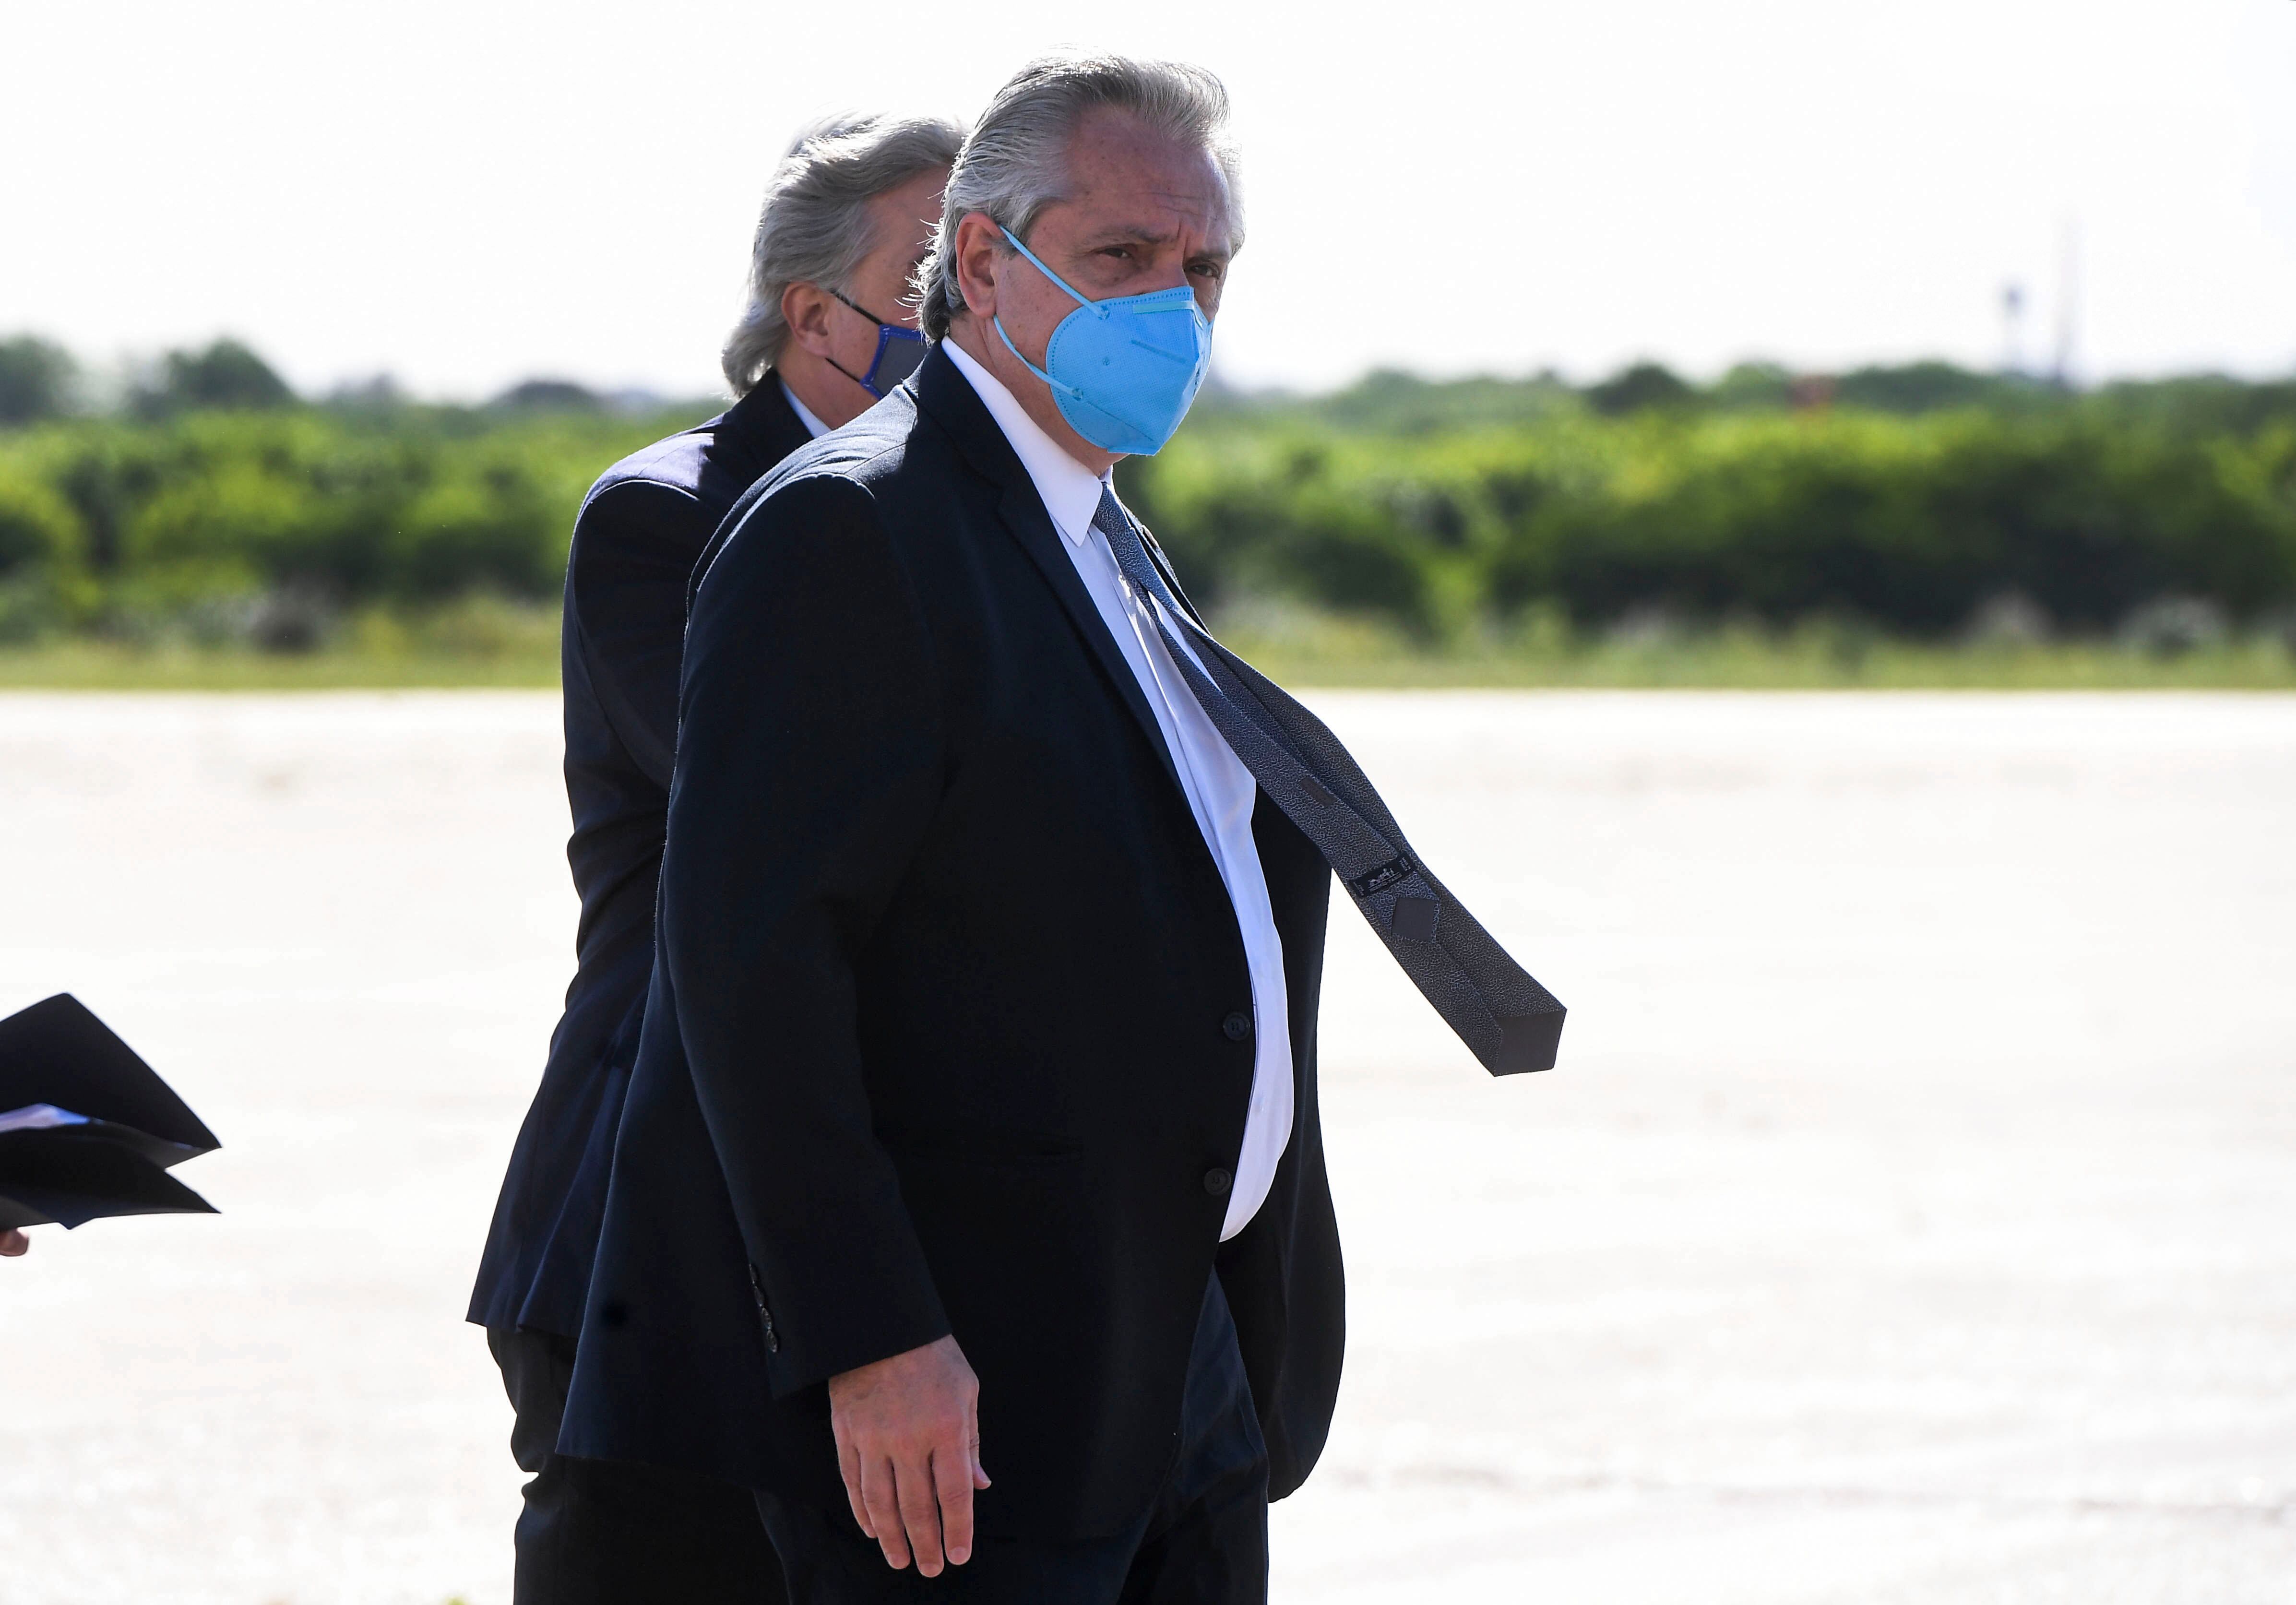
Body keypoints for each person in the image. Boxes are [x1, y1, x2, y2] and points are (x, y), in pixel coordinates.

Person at [563, 50, 1560, 1605]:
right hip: (970, 1390)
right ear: (980, 260)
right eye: (1121, 257)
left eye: (1203, 266)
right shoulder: (854, 526)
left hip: (1177, 1351)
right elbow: (752, 970)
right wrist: (872, 1333)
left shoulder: (1097, 530)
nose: (1175, 304)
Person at [466, 110, 962, 1605]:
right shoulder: (671, 516)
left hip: (874, 1221)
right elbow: (796, 820)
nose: (971, 315)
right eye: (935, 277)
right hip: (653, 1228)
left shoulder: (1008, 531)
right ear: (816, 314)